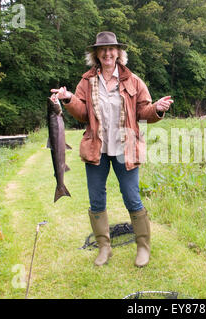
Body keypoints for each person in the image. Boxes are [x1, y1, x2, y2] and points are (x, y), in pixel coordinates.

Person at [51, 31, 173, 268]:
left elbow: (144, 112)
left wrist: (157, 108)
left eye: (111, 49)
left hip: (125, 149)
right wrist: (68, 98)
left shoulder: (134, 80)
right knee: (96, 200)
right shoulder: (86, 81)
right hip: (96, 149)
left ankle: (143, 248)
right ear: (96, 54)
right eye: (102, 50)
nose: (107, 53)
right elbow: (83, 113)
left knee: (132, 198)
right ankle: (104, 248)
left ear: (118, 53)